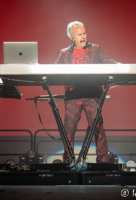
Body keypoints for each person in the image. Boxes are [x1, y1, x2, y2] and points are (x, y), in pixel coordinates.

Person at [55, 21, 120, 163]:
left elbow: (108, 61)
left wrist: (121, 67)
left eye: (84, 33)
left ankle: (103, 160)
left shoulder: (95, 49)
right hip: (73, 95)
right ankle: (68, 160)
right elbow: (54, 70)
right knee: (68, 130)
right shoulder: (65, 53)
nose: (83, 37)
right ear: (72, 37)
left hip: (92, 94)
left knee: (98, 127)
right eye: (79, 34)